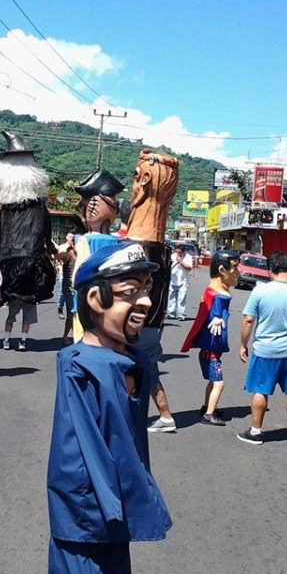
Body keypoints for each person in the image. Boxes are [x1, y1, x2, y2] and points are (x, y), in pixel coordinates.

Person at [46, 242, 172, 574]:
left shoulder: (132, 358)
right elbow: (89, 443)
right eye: (129, 293)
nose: (145, 303)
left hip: (115, 503)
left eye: (146, 290)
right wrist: (118, 504)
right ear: (96, 300)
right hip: (87, 505)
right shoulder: (79, 364)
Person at [124, 149, 181, 434]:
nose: (133, 186)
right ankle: (165, 416)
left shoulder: (135, 247)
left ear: (145, 179)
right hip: (154, 323)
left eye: (136, 178)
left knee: (124, 369)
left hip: (134, 324)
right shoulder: (161, 248)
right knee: (148, 370)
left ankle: (125, 419)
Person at [0, 132, 56, 352]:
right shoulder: (36, 204)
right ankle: (19, 339)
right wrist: (49, 246)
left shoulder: (7, 205)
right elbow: (46, 226)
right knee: (25, 303)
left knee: (10, 304)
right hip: (29, 260)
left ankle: (9, 338)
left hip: (10, 259)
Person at [237, 251, 287, 446]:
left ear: (270, 270)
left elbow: (248, 320)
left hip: (266, 350)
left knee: (260, 390)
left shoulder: (260, 291)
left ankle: (255, 432)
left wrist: (243, 345)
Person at [180, 249, 240, 426]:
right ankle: (208, 413)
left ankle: (208, 406)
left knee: (213, 382)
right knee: (219, 383)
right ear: (222, 270)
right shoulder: (216, 294)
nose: (238, 272)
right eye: (235, 268)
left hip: (210, 350)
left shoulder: (212, 291)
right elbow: (213, 308)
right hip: (211, 351)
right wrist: (216, 317)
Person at [71, 169, 126, 342]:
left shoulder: (85, 241)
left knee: (83, 338)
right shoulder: (118, 242)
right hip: (112, 300)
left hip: (85, 300)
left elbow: (77, 276)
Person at [55, 231, 77, 345]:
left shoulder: (80, 253)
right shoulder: (67, 253)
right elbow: (57, 257)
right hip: (69, 288)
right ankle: (65, 337)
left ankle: (76, 335)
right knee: (70, 314)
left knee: (76, 314)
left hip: (78, 287)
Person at [166, 244, 193, 321]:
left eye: (180, 252)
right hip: (173, 279)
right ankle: (171, 313)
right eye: (177, 252)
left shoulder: (188, 257)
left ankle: (181, 314)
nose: (178, 254)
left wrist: (180, 261)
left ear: (183, 252)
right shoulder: (172, 256)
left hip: (183, 280)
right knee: (171, 297)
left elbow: (189, 268)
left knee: (181, 298)